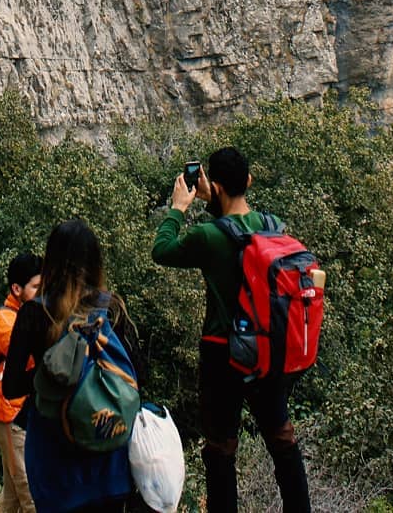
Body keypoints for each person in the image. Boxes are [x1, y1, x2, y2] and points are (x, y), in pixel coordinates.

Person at [151, 147, 311, 513]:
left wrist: (179, 207)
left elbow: (162, 250)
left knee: (221, 448)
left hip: (223, 354)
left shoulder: (208, 236)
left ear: (216, 186)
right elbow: (237, 228)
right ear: (250, 181)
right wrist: (217, 199)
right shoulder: (273, 225)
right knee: (282, 439)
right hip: (268, 350)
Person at [2, 217, 144, 513]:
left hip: (54, 455)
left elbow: (11, 387)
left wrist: (52, 376)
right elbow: (135, 375)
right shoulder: (113, 308)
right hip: (107, 447)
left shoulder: (33, 313)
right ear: (95, 261)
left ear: (50, 262)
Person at [0, 252, 43, 513]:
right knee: (30, 491)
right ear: (16, 289)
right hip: (7, 414)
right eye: (36, 288)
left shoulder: (27, 315)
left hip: (19, 413)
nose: (41, 294)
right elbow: (32, 360)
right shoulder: (4, 321)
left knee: (13, 492)